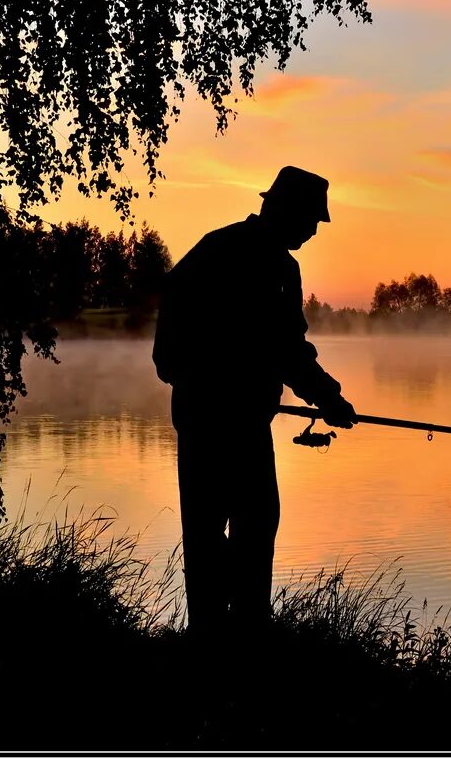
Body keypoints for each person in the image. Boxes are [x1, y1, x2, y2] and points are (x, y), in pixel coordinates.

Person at [152, 165, 357, 640]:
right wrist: (329, 398)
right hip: (224, 421)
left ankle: (218, 632)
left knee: (218, 527)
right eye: (310, 220)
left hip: (221, 415)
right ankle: (239, 632)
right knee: (249, 523)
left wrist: (178, 374)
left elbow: (284, 348)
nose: (312, 231)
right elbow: (286, 349)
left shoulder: (228, 248)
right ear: (283, 209)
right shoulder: (264, 262)